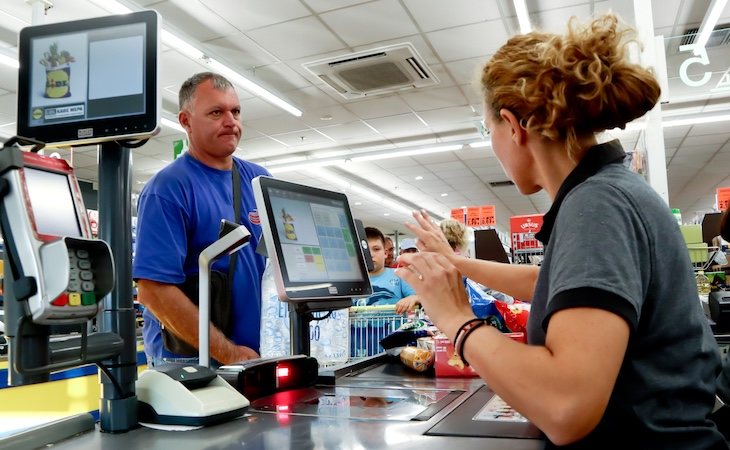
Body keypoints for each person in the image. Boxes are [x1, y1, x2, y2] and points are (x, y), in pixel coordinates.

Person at [396, 14, 728, 449]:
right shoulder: (606, 192)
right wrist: (456, 263)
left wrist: (456, 318)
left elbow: (566, 405)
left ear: (513, 126)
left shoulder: (598, 205)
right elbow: (550, 284)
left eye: (488, 129)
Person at [133, 72, 270, 366]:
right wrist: (229, 354)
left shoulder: (260, 180)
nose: (231, 122)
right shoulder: (168, 189)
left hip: (257, 358)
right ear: (185, 121)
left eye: (235, 111)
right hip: (191, 363)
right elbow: (153, 291)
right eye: (216, 112)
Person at [358, 226, 418, 307]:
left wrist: (412, 298)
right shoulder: (352, 281)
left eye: (376, 249)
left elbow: (420, 297)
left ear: (385, 253)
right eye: (365, 250)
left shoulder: (400, 275)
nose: (371, 255)